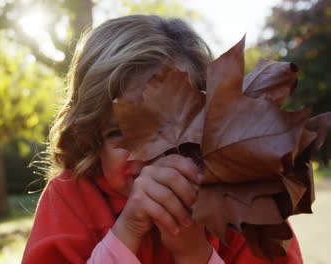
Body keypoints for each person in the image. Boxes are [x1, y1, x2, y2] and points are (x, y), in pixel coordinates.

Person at [22, 15, 302, 263]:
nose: (142, 154)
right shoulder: (71, 198)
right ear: (91, 139)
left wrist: (194, 255)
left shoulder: (245, 204)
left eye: (165, 127)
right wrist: (127, 232)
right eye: (117, 132)